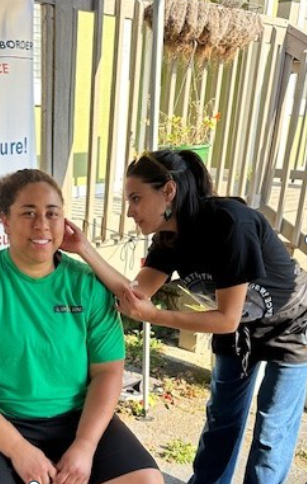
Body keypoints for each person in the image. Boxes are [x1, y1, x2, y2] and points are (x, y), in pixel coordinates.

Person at [61, 149, 307, 484]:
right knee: (222, 420)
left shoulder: (231, 223)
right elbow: (134, 295)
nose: (130, 212)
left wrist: (156, 316)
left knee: (272, 431)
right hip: (240, 330)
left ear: (168, 191)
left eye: (136, 198)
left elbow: (226, 318)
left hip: (291, 324)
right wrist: (84, 248)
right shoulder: (167, 240)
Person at [0, 168, 163, 484]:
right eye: (28, 213)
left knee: (145, 480)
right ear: (5, 220)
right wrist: (18, 449)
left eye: (52, 214)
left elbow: (108, 372)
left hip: (74, 420)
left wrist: (85, 445)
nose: (41, 224)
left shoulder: (87, 285)